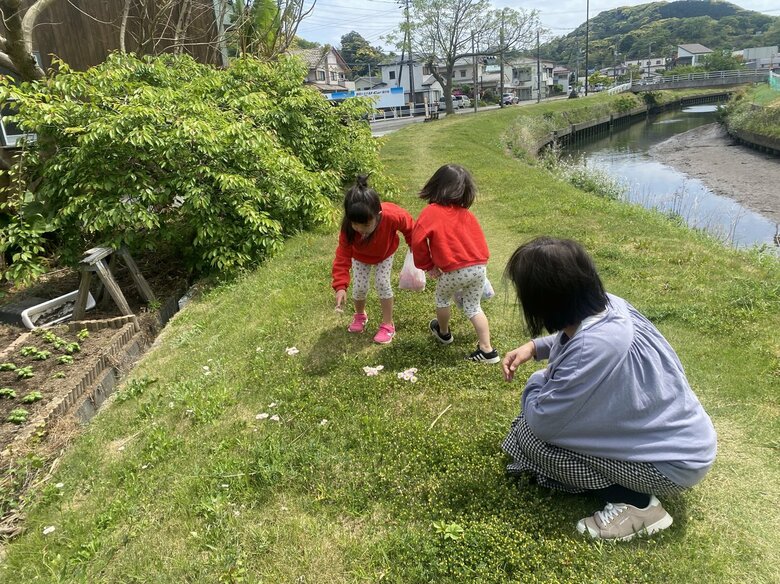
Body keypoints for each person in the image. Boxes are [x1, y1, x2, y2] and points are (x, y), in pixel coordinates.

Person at [501, 237, 717, 541]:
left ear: (543, 301)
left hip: (671, 466)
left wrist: (537, 380)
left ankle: (639, 505)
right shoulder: (611, 305)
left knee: (532, 440)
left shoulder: (590, 348)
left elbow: (544, 423)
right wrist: (535, 347)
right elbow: (574, 337)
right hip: (689, 445)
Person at [411, 164, 498, 363]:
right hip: (479, 267)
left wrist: (428, 265)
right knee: (473, 306)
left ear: (435, 184)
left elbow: (417, 241)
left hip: (455, 271)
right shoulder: (466, 214)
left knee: (442, 298)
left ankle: (443, 333)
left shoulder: (431, 212)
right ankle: (487, 350)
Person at [332, 175, 414, 344]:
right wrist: (340, 286)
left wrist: (414, 246)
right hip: (360, 257)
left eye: (366, 225)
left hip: (385, 254)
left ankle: (388, 324)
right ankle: (360, 315)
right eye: (355, 224)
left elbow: (410, 227)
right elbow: (342, 256)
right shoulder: (348, 229)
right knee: (360, 287)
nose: (360, 229)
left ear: (378, 215)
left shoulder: (392, 215)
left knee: (382, 283)